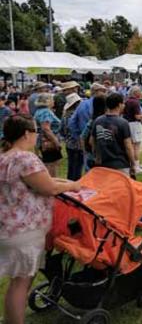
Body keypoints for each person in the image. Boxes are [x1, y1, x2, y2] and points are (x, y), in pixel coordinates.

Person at [0, 114, 82, 324]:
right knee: (21, 283)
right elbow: (48, 187)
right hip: (24, 229)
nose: (37, 136)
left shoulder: (5, 157)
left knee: (18, 281)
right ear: (27, 133)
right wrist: (72, 186)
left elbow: (39, 180)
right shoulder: (25, 158)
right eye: (35, 131)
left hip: (9, 227)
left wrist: (66, 181)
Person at [89, 93, 136, 178]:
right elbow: (128, 146)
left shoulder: (98, 120)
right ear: (119, 105)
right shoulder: (123, 123)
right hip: (120, 164)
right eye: (123, 103)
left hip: (103, 164)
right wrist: (133, 163)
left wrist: (96, 156)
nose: (124, 105)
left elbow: (92, 141)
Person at [33, 93, 63, 178]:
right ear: (47, 101)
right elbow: (46, 128)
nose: (54, 101)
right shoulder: (46, 112)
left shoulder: (39, 111)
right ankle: (52, 185)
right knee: (51, 165)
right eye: (52, 99)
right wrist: (56, 141)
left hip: (43, 141)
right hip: (48, 142)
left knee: (49, 164)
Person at [61, 92, 83, 180]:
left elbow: (61, 130)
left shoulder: (65, 115)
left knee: (71, 166)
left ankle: (69, 184)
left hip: (68, 143)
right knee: (77, 167)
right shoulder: (77, 115)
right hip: (77, 143)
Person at [123, 86, 142, 173]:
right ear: (136, 93)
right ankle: (136, 167)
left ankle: (133, 164)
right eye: (140, 92)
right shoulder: (135, 102)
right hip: (135, 125)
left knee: (131, 145)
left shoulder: (127, 101)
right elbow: (137, 116)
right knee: (137, 146)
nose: (141, 93)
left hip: (127, 124)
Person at [81, 95, 107, 171]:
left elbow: (82, 137)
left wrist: (84, 152)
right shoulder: (103, 121)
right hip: (100, 154)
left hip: (89, 153)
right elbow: (91, 141)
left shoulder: (92, 121)